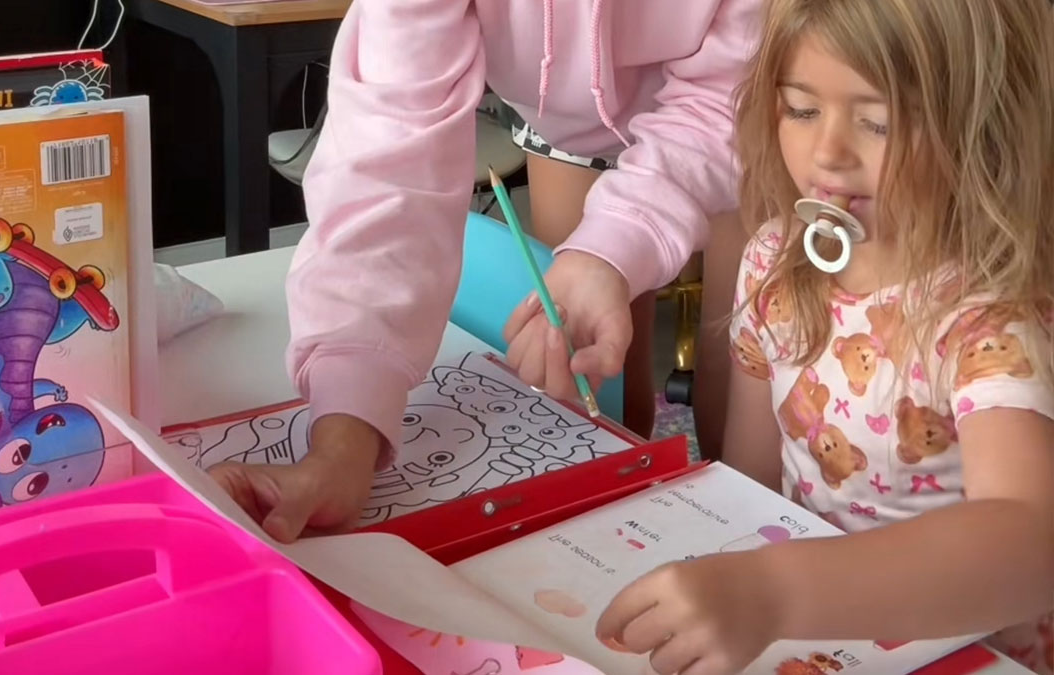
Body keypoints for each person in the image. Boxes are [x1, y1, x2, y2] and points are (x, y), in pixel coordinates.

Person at [595, 1, 1054, 673]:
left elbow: (1033, 544)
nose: (829, 152)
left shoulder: (990, 319)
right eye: (802, 110)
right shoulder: (774, 264)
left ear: (983, 129)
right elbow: (747, 490)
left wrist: (775, 591)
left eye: (878, 121)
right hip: (809, 643)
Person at [208, 0, 762, 543]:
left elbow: (726, 100)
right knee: (588, 373)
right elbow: (389, 163)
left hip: (747, 106)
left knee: (742, 363)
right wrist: (345, 435)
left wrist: (618, 243)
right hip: (564, 110)